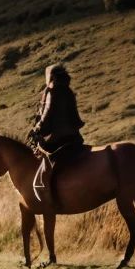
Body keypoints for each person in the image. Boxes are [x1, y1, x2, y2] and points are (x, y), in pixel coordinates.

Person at [30, 63, 86, 205]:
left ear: (50, 77)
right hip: (74, 137)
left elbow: (47, 114)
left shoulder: (51, 91)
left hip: (58, 139)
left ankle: (48, 196)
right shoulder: (68, 91)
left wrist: (37, 129)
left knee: (44, 161)